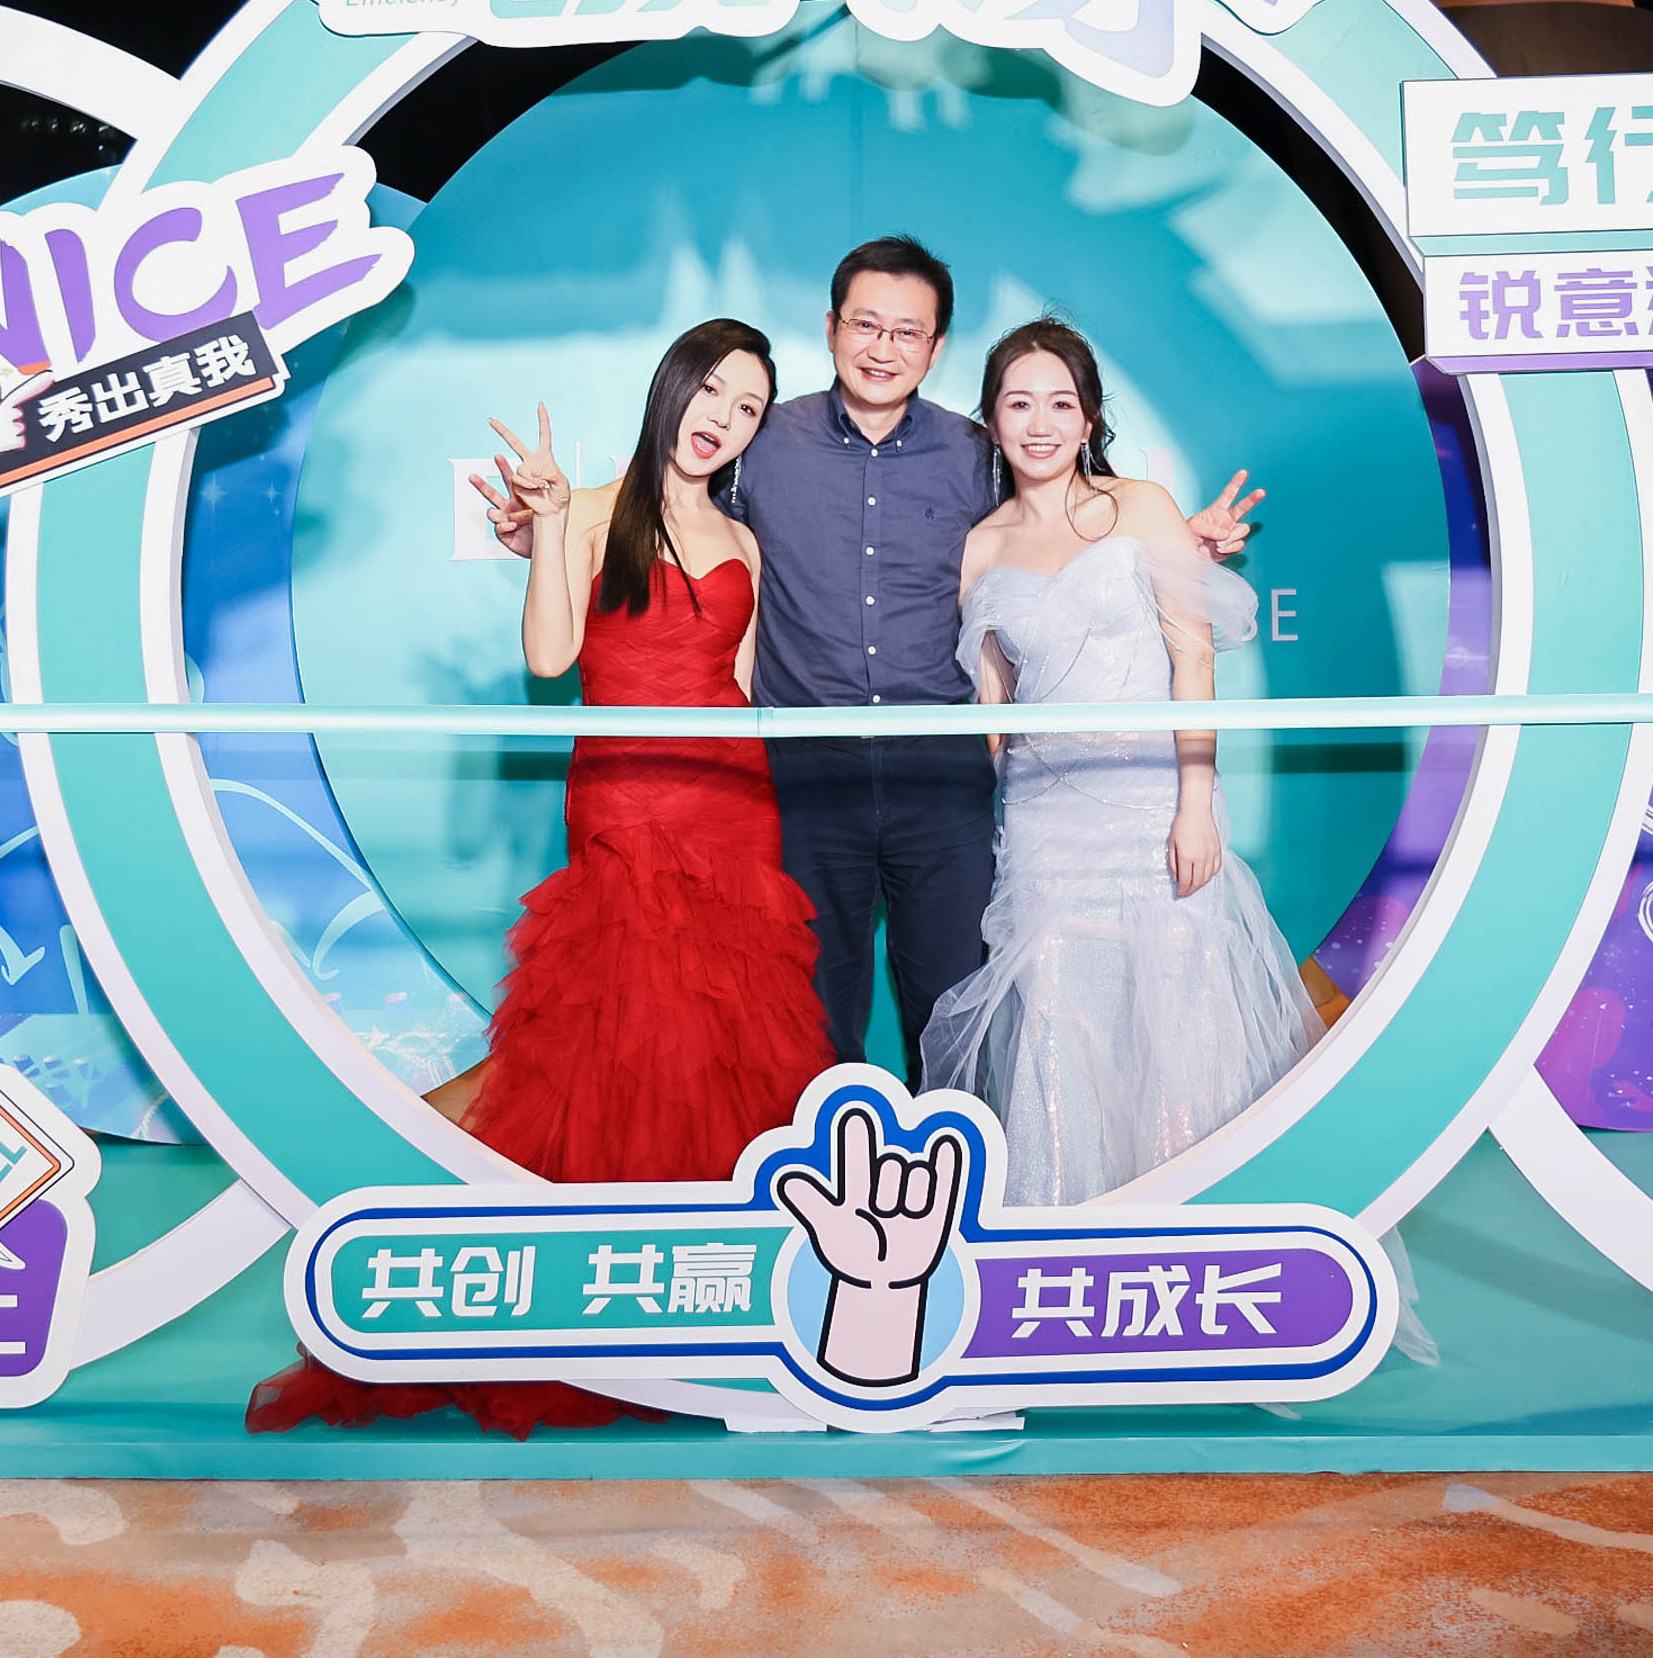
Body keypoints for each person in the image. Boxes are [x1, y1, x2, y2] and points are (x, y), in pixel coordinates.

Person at [482, 238, 1261, 1078]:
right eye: (865, 325)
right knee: (809, 1021)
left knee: (959, 1013)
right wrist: (545, 537)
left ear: (935, 347)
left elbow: (1062, 531)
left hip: (942, 778)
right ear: (831, 328)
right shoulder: (760, 441)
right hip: (804, 777)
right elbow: (666, 524)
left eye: (907, 332)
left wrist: (1180, 547)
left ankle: (959, 1163)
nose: (883, 348)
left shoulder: (980, 454)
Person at [250, 318, 833, 1439]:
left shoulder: (745, 543)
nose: (723, 418)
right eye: (713, 390)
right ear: (673, 387)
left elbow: (747, 682)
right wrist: (554, 521)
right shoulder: (595, 508)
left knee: (725, 1041)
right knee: (620, 1038)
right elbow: (551, 657)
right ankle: (599, 1305)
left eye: (749, 407)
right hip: (624, 802)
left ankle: (720, 1310)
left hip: (731, 805)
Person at [920, 319, 1433, 1363]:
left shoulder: (1142, 508)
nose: (1039, 422)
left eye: (1060, 403)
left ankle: (1210, 1285)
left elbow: (1191, 657)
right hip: (1046, 825)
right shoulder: (981, 548)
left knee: (1181, 1021)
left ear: (1090, 419)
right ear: (991, 421)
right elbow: (996, 704)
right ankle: (1064, 1289)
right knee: (1059, 1033)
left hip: (1155, 805)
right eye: (1018, 403)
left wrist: (1196, 797)